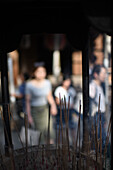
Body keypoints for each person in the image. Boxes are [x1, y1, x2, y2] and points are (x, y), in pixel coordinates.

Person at [25, 62, 57, 144]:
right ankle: (40, 154)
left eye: (43, 71)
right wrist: (29, 116)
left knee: (49, 132)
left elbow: (49, 96)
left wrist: (53, 106)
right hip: (35, 111)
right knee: (39, 134)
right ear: (34, 73)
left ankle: (51, 153)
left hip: (45, 110)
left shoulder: (47, 83)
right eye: (39, 71)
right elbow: (27, 101)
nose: (41, 74)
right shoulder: (29, 85)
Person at [54, 74, 77, 144]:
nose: (68, 83)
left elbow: (74, 99)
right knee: (61, 129)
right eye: (66, 81)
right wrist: (67, 104)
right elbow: (57, 101)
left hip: (70, 111)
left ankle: (74, 144)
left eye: (69, 81)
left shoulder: (72, 90)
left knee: (72, 127)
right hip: (62, 111)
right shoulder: (59, 90)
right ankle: (61, 144)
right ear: (63, 81)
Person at [89, 64, 107, 149]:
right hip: (95, 115)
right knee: (98, 139)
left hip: (101, 116)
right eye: (103, 73)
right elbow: (90, 100)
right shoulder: (92, 86)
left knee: (102, 139)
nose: (105, 76)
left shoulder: (101, 86)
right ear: (96, 74)